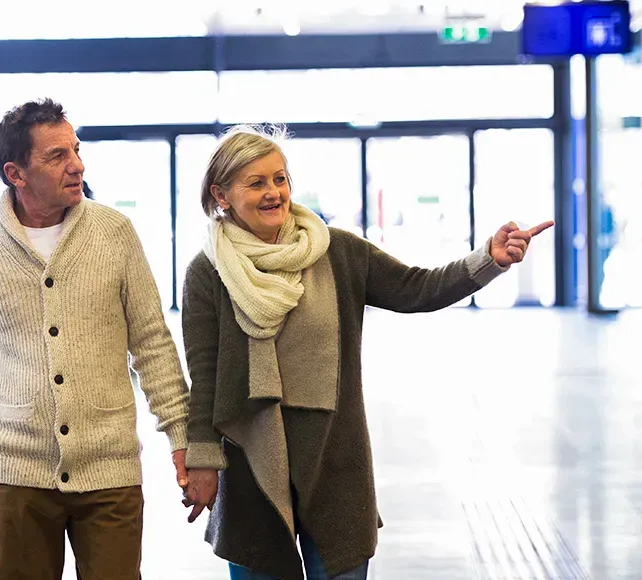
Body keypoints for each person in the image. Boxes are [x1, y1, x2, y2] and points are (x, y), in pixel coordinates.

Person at [180, 125, 553, 580]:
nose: (273, 192)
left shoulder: (337, 252)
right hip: (251, 463)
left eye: (280, 179)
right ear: (221, 194)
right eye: (256, 183)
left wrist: (488, 259)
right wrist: (201, 459)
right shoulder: (208, 270)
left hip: (335, 455)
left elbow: (417, 288)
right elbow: (205, 375)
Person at [0, 98, 190, 580]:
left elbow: (152, 344)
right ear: (16, 173)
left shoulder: (115, 233)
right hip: (17, 476)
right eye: (57, 156)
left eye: (76, 148)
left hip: (109, 470)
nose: (77, 164)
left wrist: (183, 437)